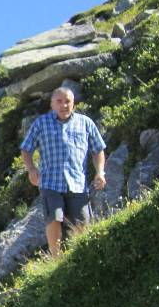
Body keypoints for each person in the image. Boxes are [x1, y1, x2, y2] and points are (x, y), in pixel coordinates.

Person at [20, 87, 106, 255]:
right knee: (55, 217)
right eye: (59, 101)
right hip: (50, 183)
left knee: (82, 225)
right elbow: (26, 148)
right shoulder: (41, 123)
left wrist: (100, 172)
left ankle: (81, 256)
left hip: (77, 184)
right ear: (52, 104)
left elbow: (98, 149)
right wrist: (31, 169)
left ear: (73, 103)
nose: (64, 105)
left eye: (67, 101)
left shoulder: (85, 123)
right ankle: (56, 258)